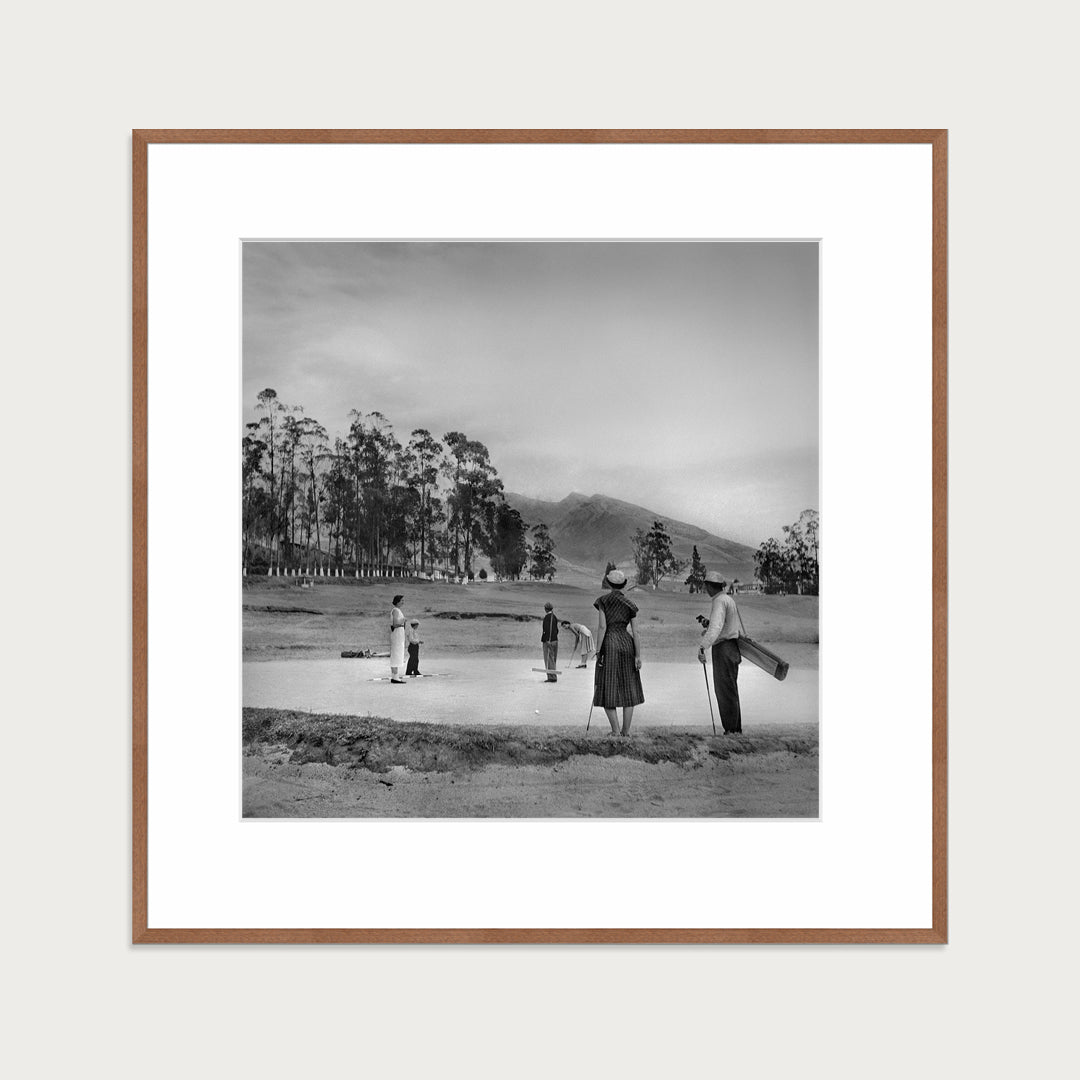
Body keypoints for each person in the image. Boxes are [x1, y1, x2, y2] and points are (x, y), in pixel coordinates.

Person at [593, 569, 644, 736]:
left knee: (607, 686)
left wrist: (598, 651)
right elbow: (636, 632)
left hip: (610, 644)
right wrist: (638, 655)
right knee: (629, 687)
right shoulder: (630, 604)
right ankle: (625, 732)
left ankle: (615, 731)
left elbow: (602, 627)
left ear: (609, 583)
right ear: (624, 584)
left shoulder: (603, 601)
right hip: (627, 644)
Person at [697, 570, 742, 733]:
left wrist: (703, 646)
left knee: (724, 691)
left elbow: (716, 628)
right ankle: (735, 729)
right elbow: (723, 626)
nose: (706, 589)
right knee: (730, 690)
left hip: (724, 649)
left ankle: (731, 730)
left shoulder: (719, 601)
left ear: (710, 586)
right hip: (733, 648)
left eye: (706, 586)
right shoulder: (728, 599)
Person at [389, 594, 407, 684]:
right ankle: (395, 677)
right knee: (396, 654)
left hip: (398, 634)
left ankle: (395, 676)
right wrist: (403, 621)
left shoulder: (397, 610)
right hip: (397, 634)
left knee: (397, 653)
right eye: (402, 600)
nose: (403, 602)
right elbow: (395, 623)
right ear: (397, 601)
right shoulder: (396, 610)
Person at [540, 602, 559, 682]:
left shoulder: (547, 617)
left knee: (548, 659)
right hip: (555, 640)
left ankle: (551, 677)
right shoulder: (554, 617)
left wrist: (547, 639)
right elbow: (556, 630)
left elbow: (547, 629)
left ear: (546, 609)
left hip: (549, 640)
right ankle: (553, 675)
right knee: (553, 658)